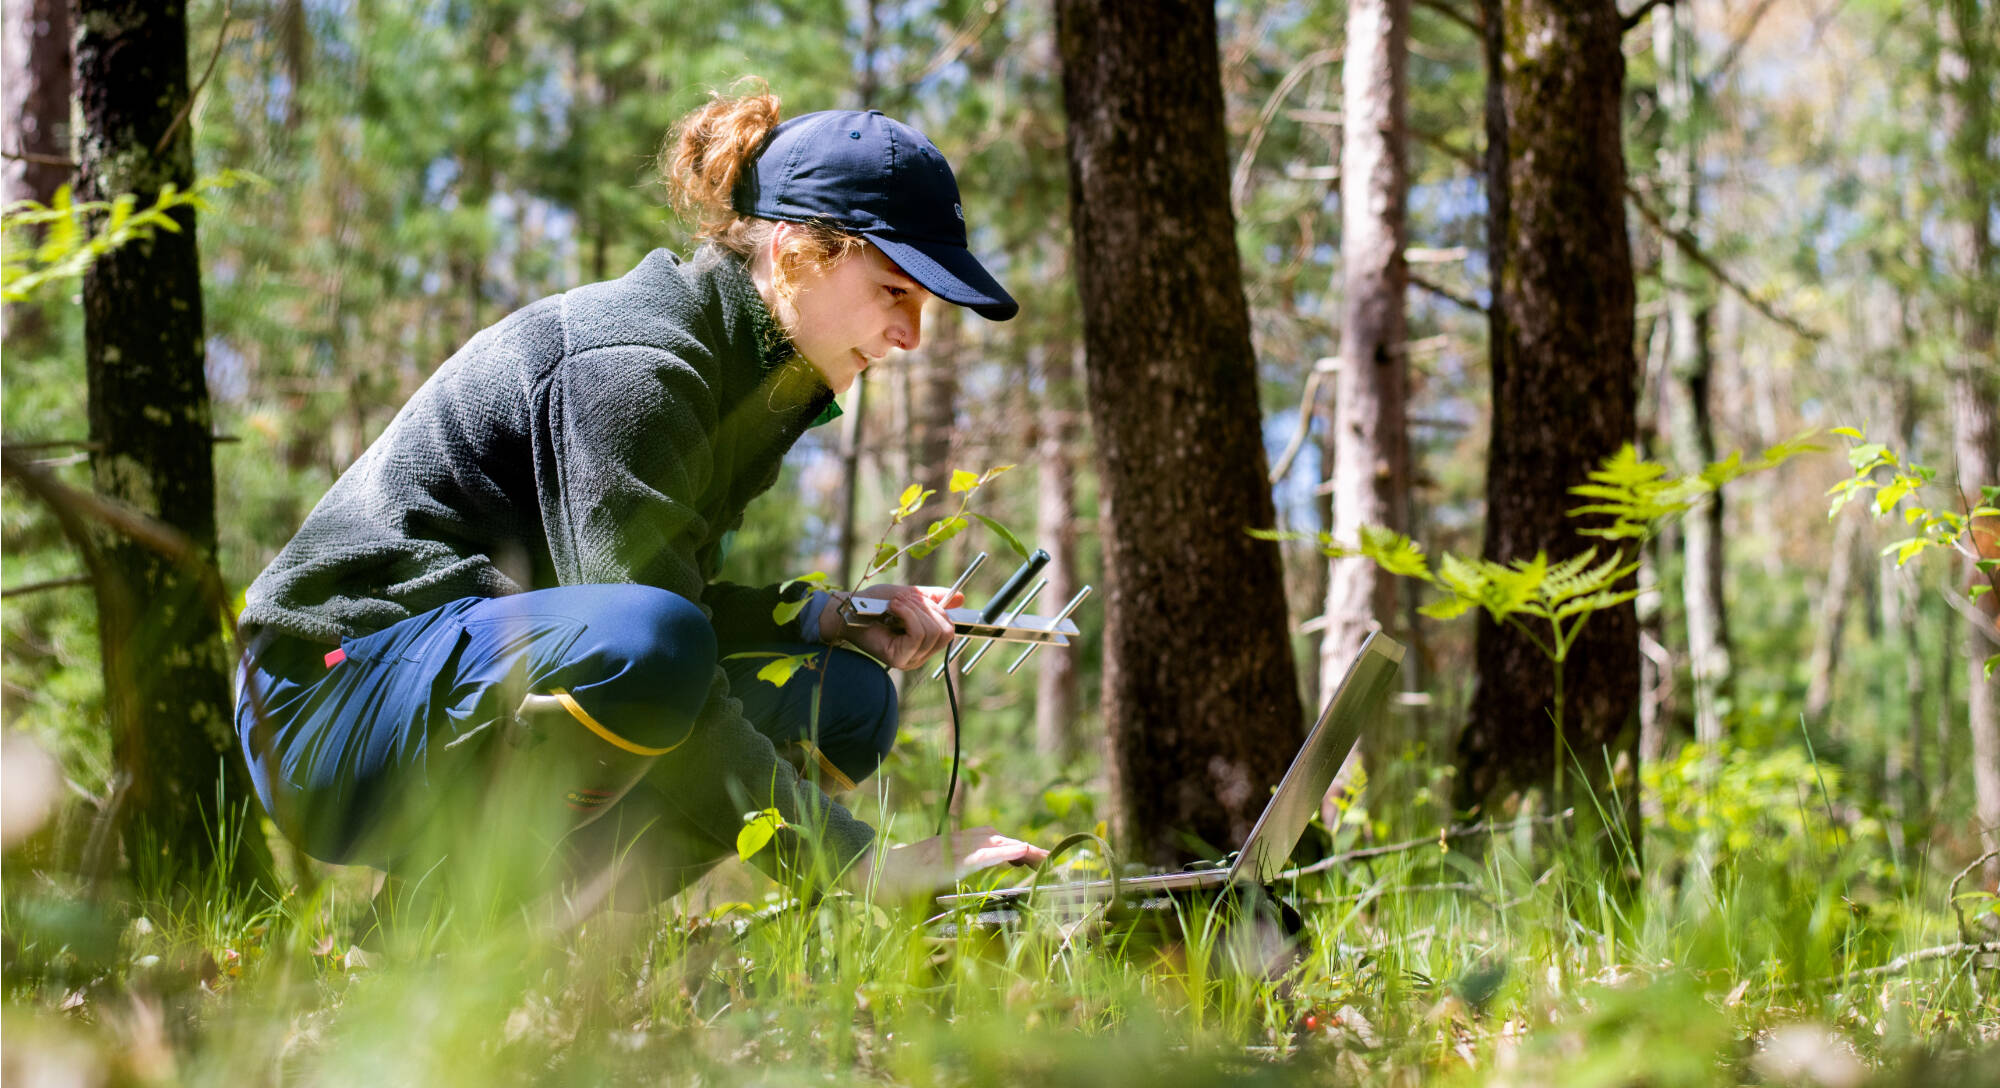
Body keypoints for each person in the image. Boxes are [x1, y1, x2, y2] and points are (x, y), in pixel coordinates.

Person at [233, 84, 1045, 914]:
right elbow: (650, 640)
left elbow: (647, 607)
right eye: (895, 292)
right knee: (656, 648)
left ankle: (481, 946)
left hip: (458, 673)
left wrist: (823, 618)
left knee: (846, 698)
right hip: (321, 704)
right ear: (799, 250)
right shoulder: (635, 368)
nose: (912, 337)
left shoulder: (746, 375)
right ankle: (469, 927)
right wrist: (860, 865)